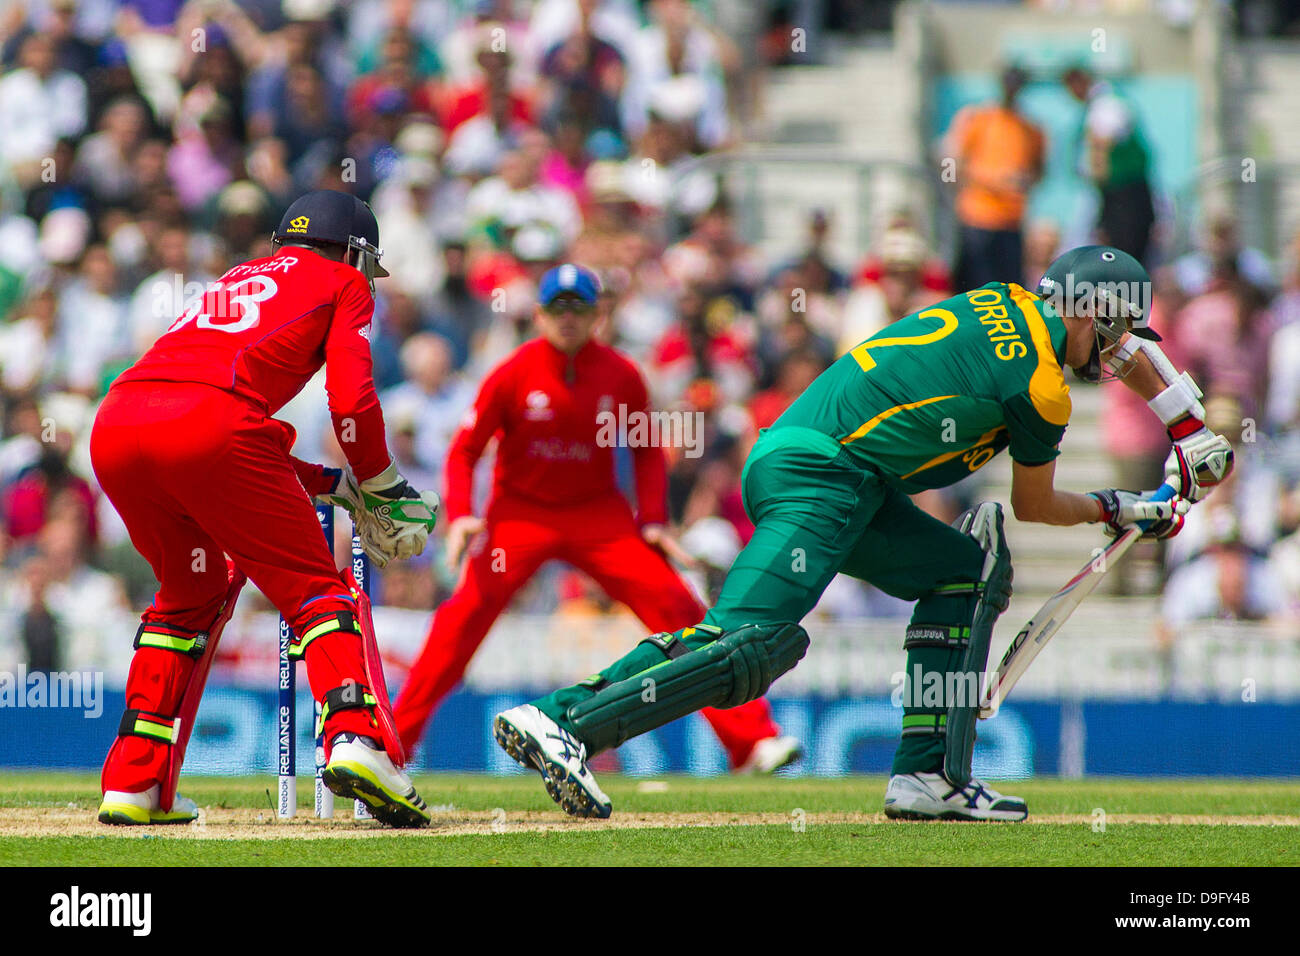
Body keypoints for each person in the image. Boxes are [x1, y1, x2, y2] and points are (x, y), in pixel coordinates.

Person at [492, 246, 1235, 821]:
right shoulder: (1039, 386)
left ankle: (928, 778)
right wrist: (1129, 507)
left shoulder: (1004, 300)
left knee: (962, 571)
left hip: (841, 472)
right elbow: (1037, 506)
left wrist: (1186, 421)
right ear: (1095, 311)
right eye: (1116, 332)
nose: (1117, 356)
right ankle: (567, 722)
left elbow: (1124, 349)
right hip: (824, 473)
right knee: (749, 641)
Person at [91, 190, 439, 828]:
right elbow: (352, 403)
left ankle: (134, 781)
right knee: (315, 590)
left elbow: (201, 414)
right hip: (210, 427)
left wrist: (332, 482)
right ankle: (356, 740)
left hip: (117, 424)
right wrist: (383, 485)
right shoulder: (341, 281)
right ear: (349, 251)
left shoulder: (238, 276)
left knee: (189, 590)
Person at [393, 264, 800, 773]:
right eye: (557, 308)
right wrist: (461, 516)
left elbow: (649, 450)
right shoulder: (512, 372)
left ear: (596, 315)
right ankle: (392, 747)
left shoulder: (621, 374)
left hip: (598, 518)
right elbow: (464, 450)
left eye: (578, 308)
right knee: (461, 620)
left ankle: (752, 740)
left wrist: (653, 519)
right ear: (539, 314)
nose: (568, 318)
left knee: (676, 604)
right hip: (520, 517)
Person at [944, 65, 1045, 290]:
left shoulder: (1030, 129)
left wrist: (1024, 182)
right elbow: (953, 164)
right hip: (977, 217)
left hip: (1011, 220)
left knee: (1008, 289)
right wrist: (994, 182)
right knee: (972, 287)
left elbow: (1039, 170)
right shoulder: (978, 120)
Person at [1063, 66, 1156, 266]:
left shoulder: (1106, 104)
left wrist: (1099, 186)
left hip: (1123, 194)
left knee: (1124, 250)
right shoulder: (1099, 104)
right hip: (1116, 194)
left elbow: (1101, 144)